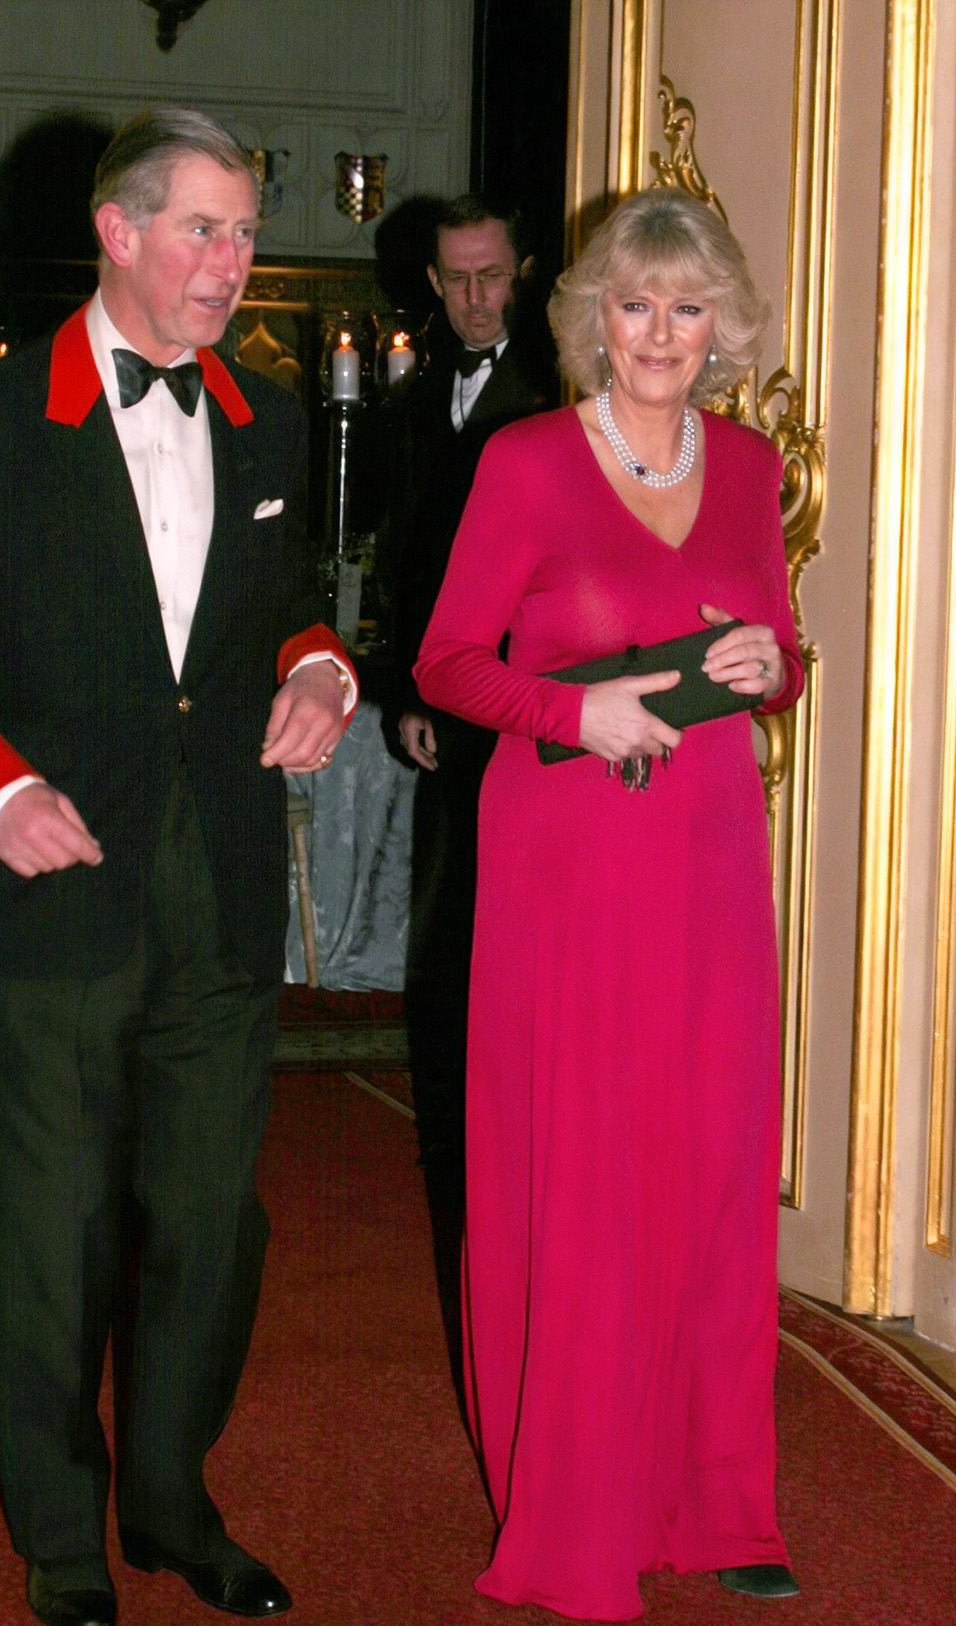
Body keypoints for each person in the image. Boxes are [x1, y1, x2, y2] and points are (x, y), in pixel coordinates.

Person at [0, 109, 355, 1626]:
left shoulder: (267, 418)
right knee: (55, 1222)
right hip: (54, 884)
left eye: (242, 233)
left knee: (212, 1218)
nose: (231, 263)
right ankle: (61, 1532)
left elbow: (282, 613)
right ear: (118, 233)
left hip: (212, 882)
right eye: (202, 231)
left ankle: (171, 1502)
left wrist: (323, 671)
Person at [414, 187, 804, 1622]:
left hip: (704, 857)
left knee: (704, 1169)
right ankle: (572, 1506)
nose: (657, 334)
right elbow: (447, 663)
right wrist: (573, 720)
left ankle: (719, 1501)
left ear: (721, 326)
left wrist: (771, 669)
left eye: (685, 307)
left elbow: (776, 643)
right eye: (632, 306)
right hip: (567, 860)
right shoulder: (521, 462)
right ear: (590, 318)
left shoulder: (753, 468)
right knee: (580, 1171)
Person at [385, 197, 551, 1241]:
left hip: (534, 699)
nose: (476, 299)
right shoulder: (416, 404)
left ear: (523, 274)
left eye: (492, 276)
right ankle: (451, 1137)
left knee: (522, 928)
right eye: (457, 280)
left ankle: (523, 1133)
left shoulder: (561, 397)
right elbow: (409, 566)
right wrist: (408, 691)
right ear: (434, 288)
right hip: (446, 706)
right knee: (446, 928)